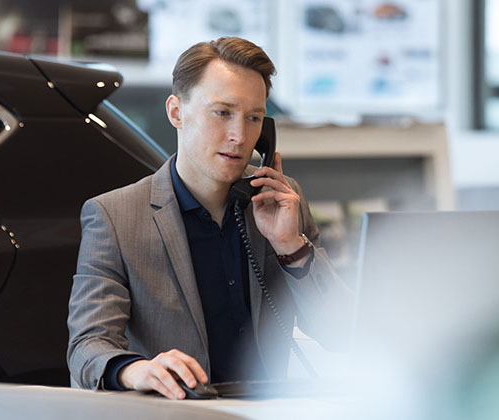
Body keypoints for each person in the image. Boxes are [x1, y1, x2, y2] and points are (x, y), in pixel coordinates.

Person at [67, 37, 352, 400]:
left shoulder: (281, 201)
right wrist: (137, 369)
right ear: (176, 113)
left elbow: (341, 333)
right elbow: (87, 347)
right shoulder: (115, 216)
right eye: (222, 112)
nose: (239, 136)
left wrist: (290, 246)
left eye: (254, 118)